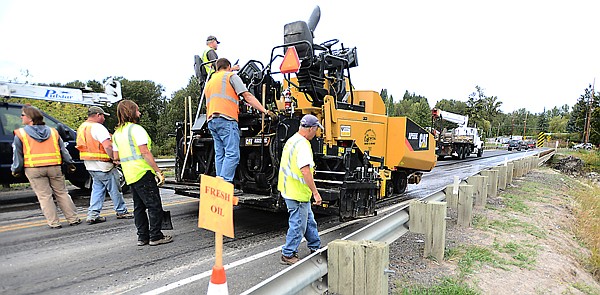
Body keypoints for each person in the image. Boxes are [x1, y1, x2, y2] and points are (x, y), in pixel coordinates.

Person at [204, 57, 276, 187]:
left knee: (220, 154)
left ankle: (218, 183)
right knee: (232, 154)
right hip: (226, 119)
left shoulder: (210, 81)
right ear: (228, 66)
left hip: (211, 120)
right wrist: (265, 111)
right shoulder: (230, 76)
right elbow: (247, 96)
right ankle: (224, 186)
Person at [111, 100, 172, 246]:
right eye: (137, 110)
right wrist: (158, 171)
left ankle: (142, 237)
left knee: (139, 207)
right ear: (131, 112)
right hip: (143, 171)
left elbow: (116, 157)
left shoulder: (117, 133)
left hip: (130, 175)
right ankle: (156, 236)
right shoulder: (136, 129)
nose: (140, 113)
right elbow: (144, 152)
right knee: (154, 205)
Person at [11, 104, 82, 229]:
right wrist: (70, 163)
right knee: (62, 193)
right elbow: (63, 150)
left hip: (34, 169)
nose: (21, 117)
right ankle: (73, 219)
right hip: (54, 167)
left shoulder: (21, 134)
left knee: (44, 196)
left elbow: (18, 155)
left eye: (22, 115)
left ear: (30, 118)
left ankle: (54, 223)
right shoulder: (53, 132)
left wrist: (16, 169)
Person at [278, 114, 323, 265]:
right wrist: (316, 193)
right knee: (298, 224)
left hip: (289, 189)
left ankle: (315, 246)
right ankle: (288, 253)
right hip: (296, 192)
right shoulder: (303, 144)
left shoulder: (292, 140)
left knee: (308, 221)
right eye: (316, 129)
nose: (316, 133)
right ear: (311, 129)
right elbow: (305, 171)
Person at [76, 106, 133, 225]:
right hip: (103, 164)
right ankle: (121, 211)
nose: (104, 119)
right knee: (115, 189)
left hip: (90, 164)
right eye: (103, 116)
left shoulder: (82, 127)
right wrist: (114, 158)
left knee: (97, 189)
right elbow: (107, 146)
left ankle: (93, 214)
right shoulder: (98, 128)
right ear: (97, 115)